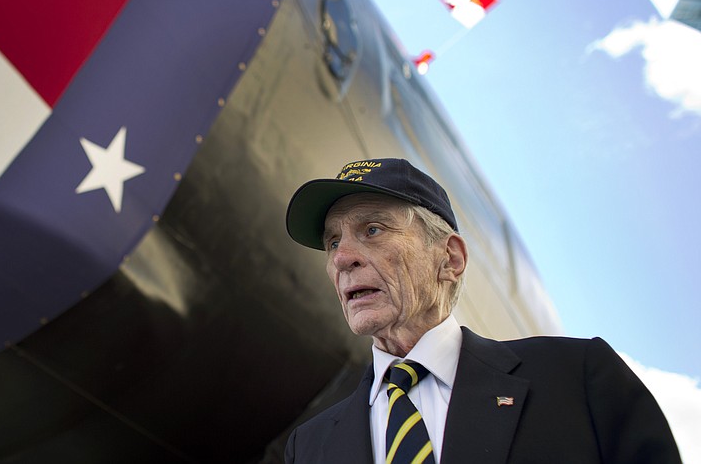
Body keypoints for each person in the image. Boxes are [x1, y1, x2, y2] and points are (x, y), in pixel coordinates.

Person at [283, 158, 681, 464]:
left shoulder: (577, 378)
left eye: (373, 229)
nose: (343, 258)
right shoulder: (309, 447)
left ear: (450, 258)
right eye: (333, 242)